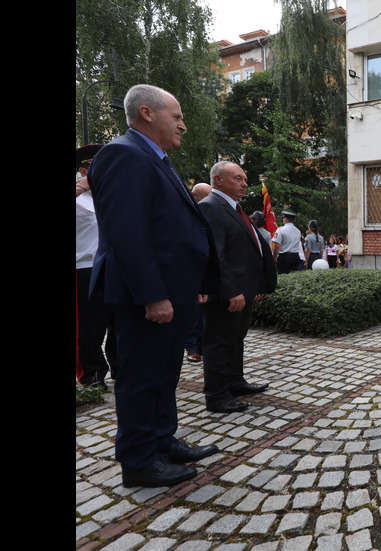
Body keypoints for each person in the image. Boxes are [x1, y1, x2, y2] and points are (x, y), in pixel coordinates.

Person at [87, 84, 218, 488]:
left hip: (172, 291)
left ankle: (162, 439)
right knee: (142, 377)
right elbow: (127, 234)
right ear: (147, 113)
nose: (183, 124)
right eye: (176, 116)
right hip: (148, 295)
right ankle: (139, 460)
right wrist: (152, 295)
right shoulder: (123, 154)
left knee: (164, 373)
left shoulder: (153, 157)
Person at [197, 161, 277, 413]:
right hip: (227, 292)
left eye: (244, 178)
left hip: (245, 289)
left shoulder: (233, 207)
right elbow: (214, 254)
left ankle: (235, 381)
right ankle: (217, 395)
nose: (244, 183)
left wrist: (259, 284)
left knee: (235, 339)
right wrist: (230, 290)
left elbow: (248, 248)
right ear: (218, 180)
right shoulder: (211, 207)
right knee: (219, 343)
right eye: (237, 178)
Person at [76, 144, 117, 388]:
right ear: (84, 171)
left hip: (115, 265)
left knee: (119, 322)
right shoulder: (80, 197)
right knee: (89, 325)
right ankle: (91, 372)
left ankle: (120, 368)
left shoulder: (111, 195)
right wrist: (80, 188)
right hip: (85, 267)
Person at [185, 183, 212, 363]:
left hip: (207, 267)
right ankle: (193, 346)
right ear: (195, 196)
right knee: (193, 311)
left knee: (206, 312)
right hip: (192, 268)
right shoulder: (187, 213)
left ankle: (204, 345)